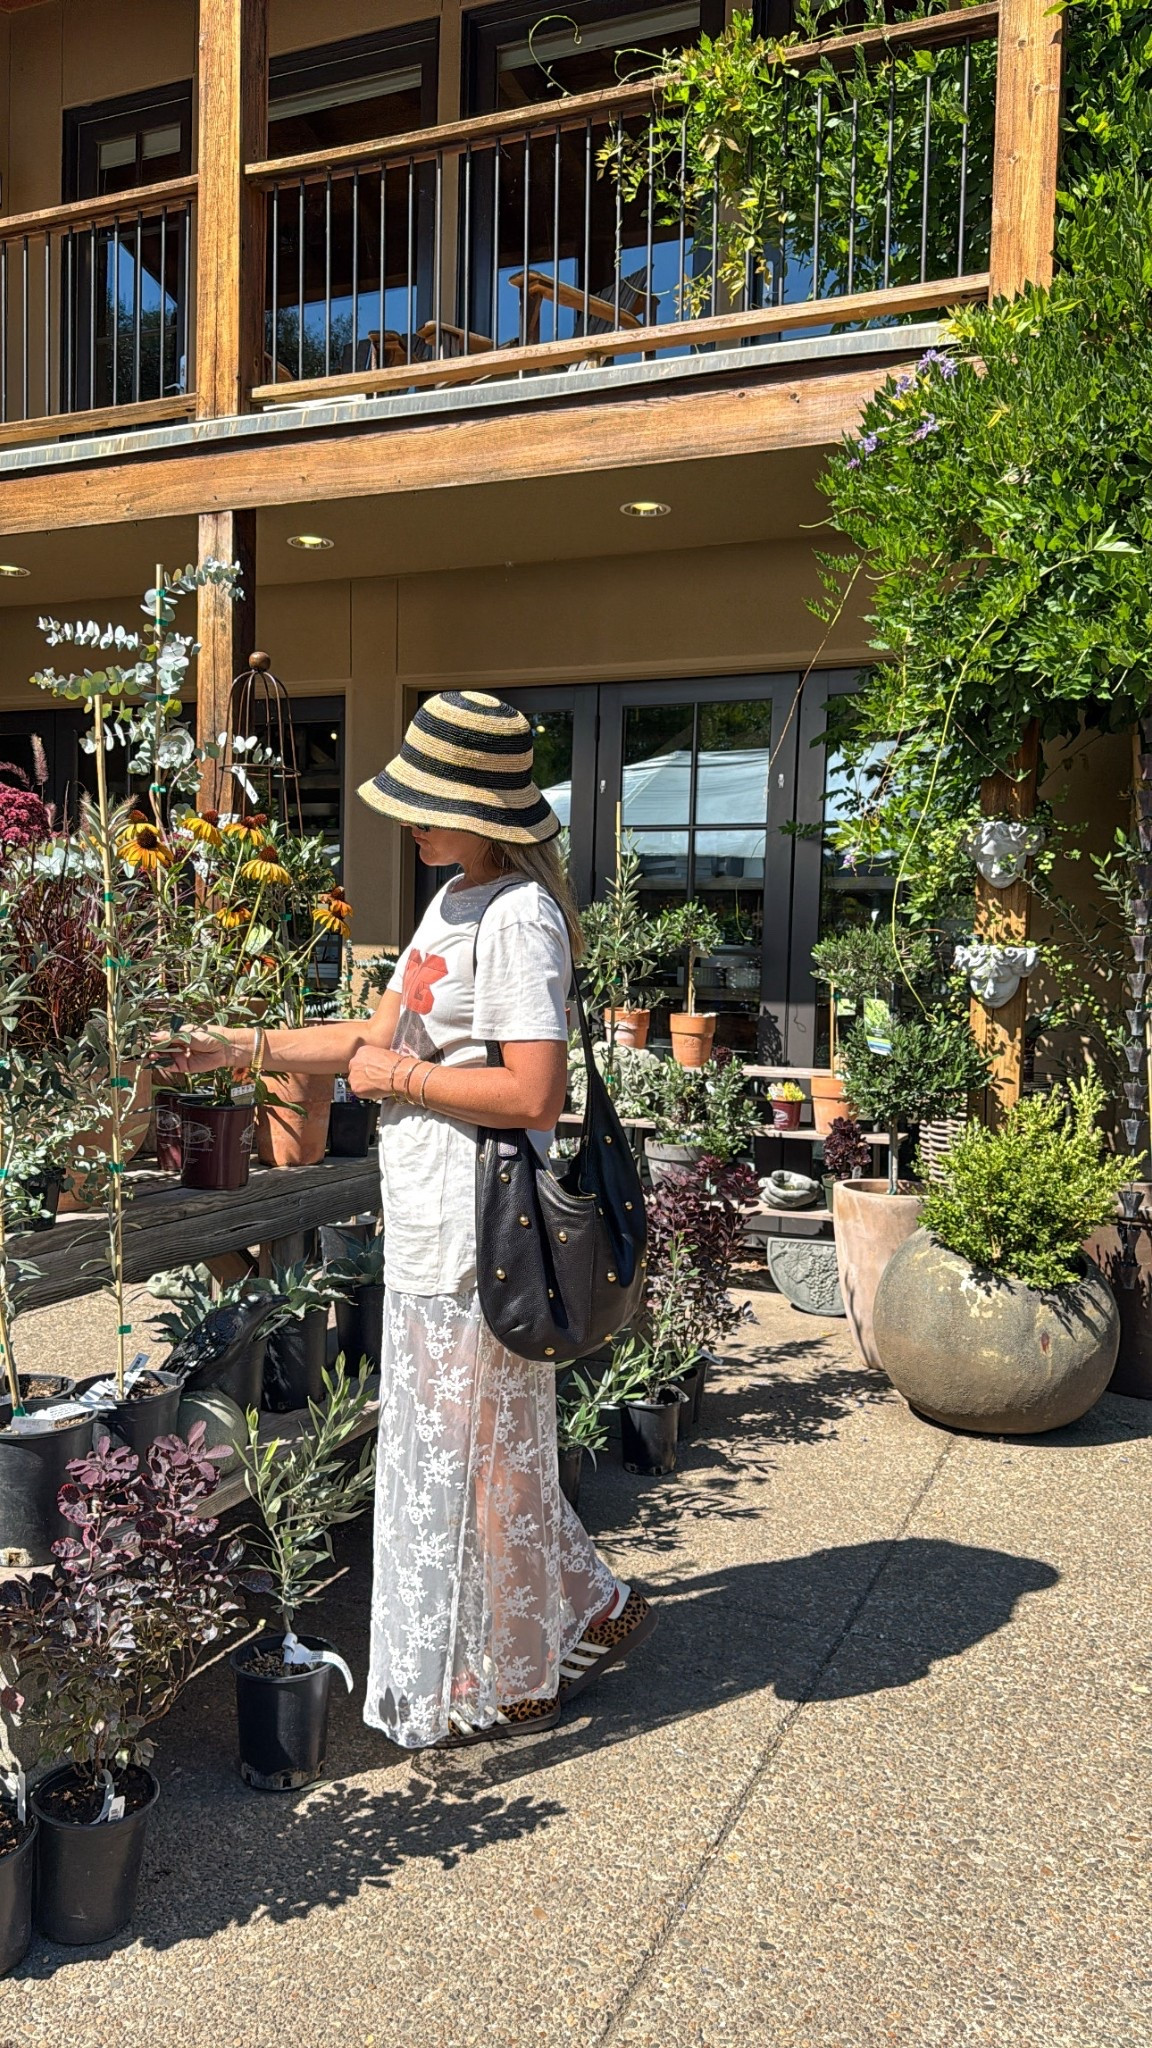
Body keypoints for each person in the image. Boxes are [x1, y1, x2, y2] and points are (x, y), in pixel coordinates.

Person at [166, 690, 654, 1748]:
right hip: (439, 1221)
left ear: (488, 810)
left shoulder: (520, 917)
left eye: (431, 804)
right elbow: (368, 1037)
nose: (413, 822)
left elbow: (533, 1091)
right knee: (481, 1449)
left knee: (477, 1451)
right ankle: (580, 1608)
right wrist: (237, 1047)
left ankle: (521, 1671)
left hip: (488, 1226)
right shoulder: (453, 902)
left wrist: (403, 1078)